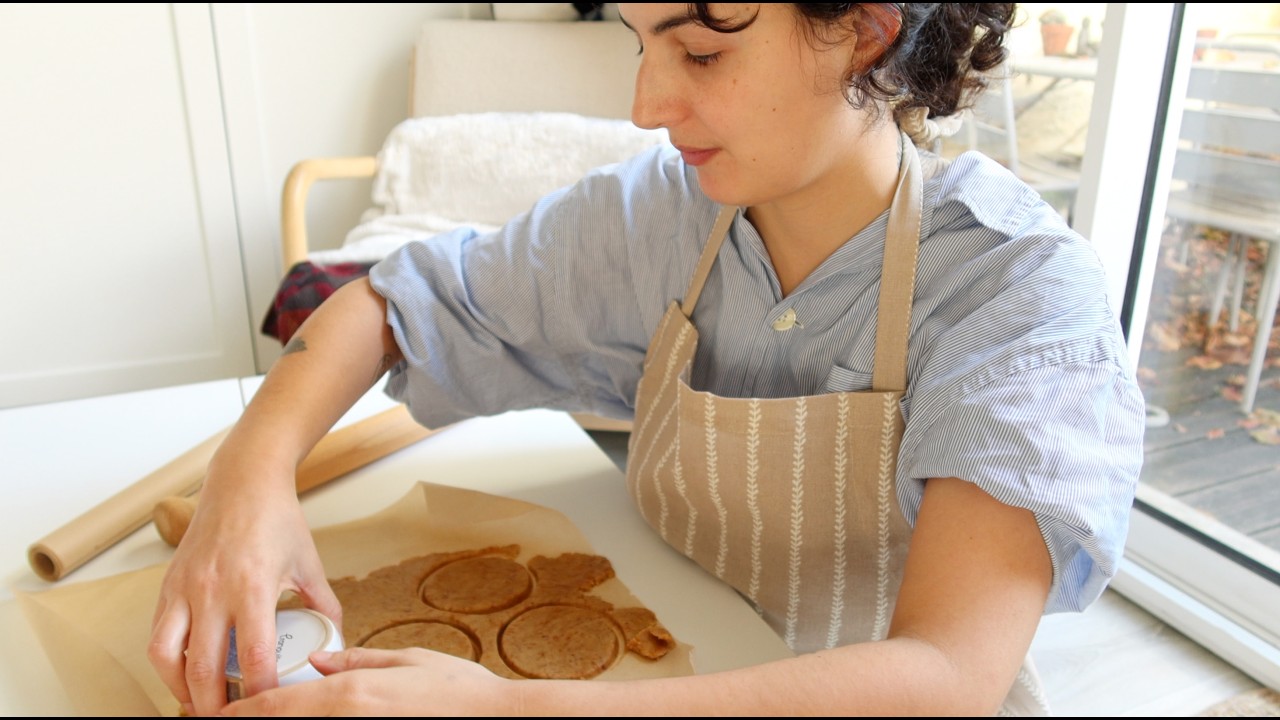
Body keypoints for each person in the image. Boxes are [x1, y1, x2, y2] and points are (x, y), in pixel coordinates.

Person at [148, 3, 1145, 716]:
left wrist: (501, 709)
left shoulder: (1015, 295)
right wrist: (249, 477)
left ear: (861, 29)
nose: (644, 104)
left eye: (701, 53)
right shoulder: (655, 221)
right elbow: (390, 305)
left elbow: (944, 678)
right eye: (638, 41)